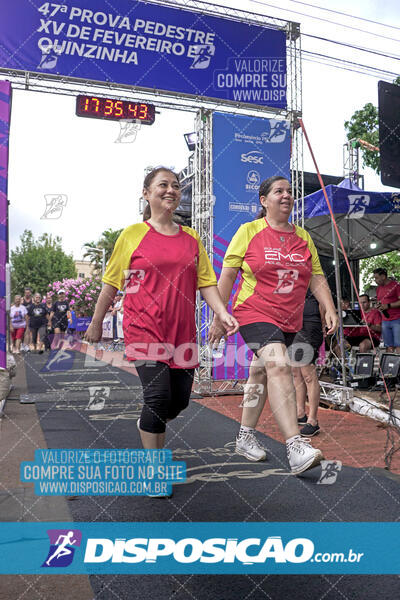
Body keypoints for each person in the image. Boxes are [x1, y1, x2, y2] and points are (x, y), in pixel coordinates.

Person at [85, 167, 239, 457]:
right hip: (144, 328)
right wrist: (96, 323)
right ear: (146, 193)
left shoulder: (191, 238)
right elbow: (110, 284)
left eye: (176, 186)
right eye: (163, 185)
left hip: (182, 332)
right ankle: (153, 466)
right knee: (157, 397)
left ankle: (148, 424)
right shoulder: (132, 235)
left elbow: (206, 283)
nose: (171, 190)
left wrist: (222, 312)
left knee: (178, 401)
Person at [210, 176, 338, 475]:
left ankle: (244, 436)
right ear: (263, 200)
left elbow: (316, 276)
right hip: (254, 311)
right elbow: (228, 275)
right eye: (278, 191)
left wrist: (329, 307)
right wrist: (219, 314)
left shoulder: (303, 237)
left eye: (290, 192)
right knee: (279, 365)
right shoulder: (249, 231)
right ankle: (295, 446)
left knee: (259, 371)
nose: (286, 196)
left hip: (290, 318)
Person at [292, 290, 325, 437]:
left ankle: (313, 421)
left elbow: (324, 299)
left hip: (310, 324)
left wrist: (324, 323)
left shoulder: (314, 273)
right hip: (292, 323)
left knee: (308, 374)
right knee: (295, 371)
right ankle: (300, 413)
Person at [373, 268, 400, 353]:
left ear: (383, 276)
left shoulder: (396, 285)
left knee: (398, 345)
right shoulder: (378, 289)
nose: (375, 280)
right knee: (388, 346)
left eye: (376, 278)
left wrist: (388, 306)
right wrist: (378, 305)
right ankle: (389, 365)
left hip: (397, 319)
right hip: (385, 320)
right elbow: (380, 301)